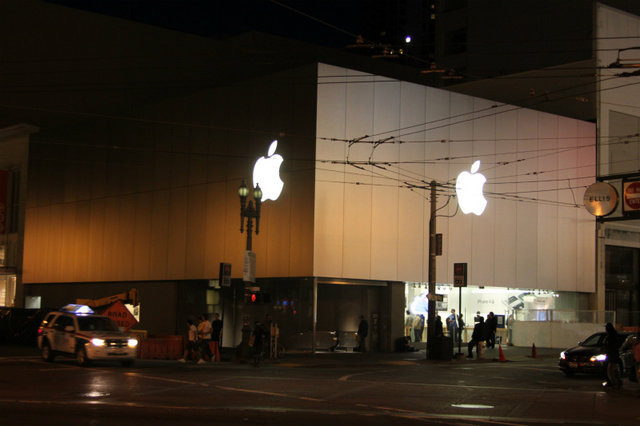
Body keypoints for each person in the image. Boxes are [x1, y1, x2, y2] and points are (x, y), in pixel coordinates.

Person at [604, 322, 622, 389]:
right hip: (612, 356)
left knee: (611, 370)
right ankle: (615, 383)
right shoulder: (612, 335)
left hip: (612, 356)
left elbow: (611, 346)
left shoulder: (611, 336)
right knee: (612, 370)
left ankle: (615, 383)